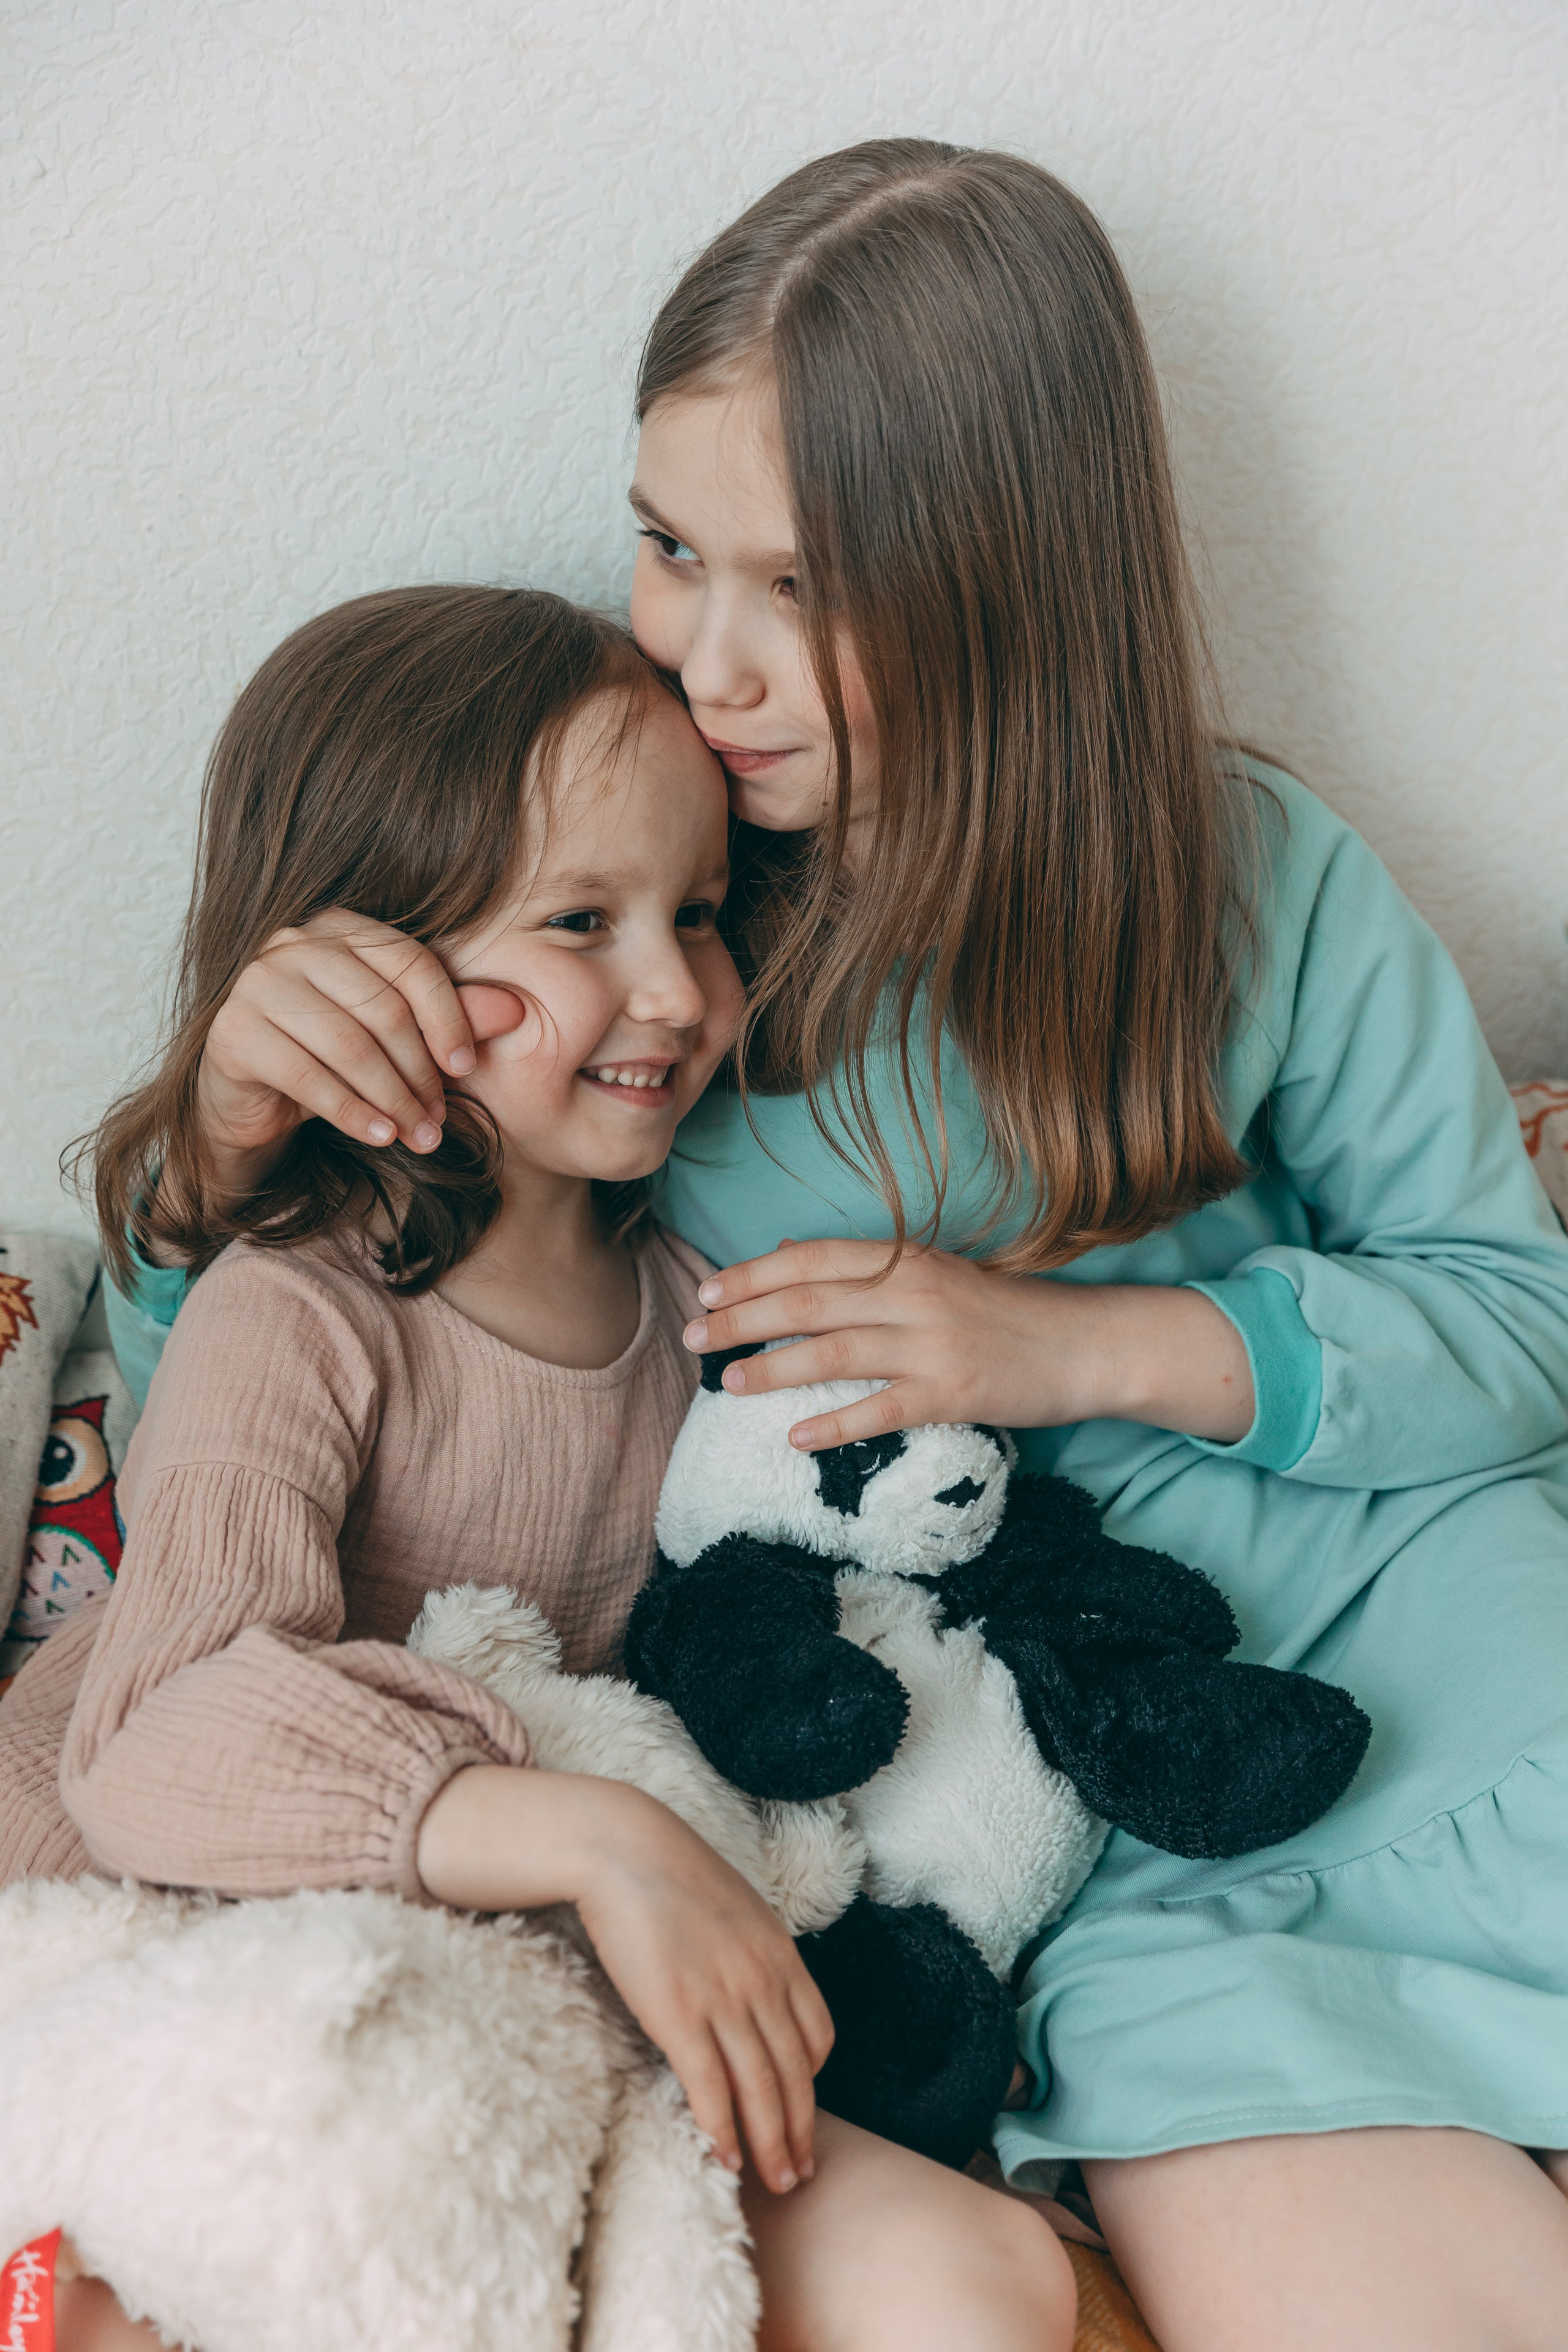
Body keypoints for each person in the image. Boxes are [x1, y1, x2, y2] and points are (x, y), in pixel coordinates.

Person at [47, 136, 1568, 2345]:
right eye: (672, 548)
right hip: (1109, 1836)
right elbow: (290, 1394)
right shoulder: (650, 961)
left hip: (1464, 1651)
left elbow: (1519, 1320)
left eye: (809, 582)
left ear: (1007, 580)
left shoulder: (1254, 878)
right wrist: (216, 1146)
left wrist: (1069, 1349)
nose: (717, 661)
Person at [0, 580, 1074, 2351]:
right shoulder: (302, 1311)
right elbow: (156, 1728)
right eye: (581, 919)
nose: (674, 988)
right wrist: (596, 1839)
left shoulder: (701, 1321)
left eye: (703, 911)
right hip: (174, 1949)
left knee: (990, 2281)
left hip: (511, 1993)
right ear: (365, 968)